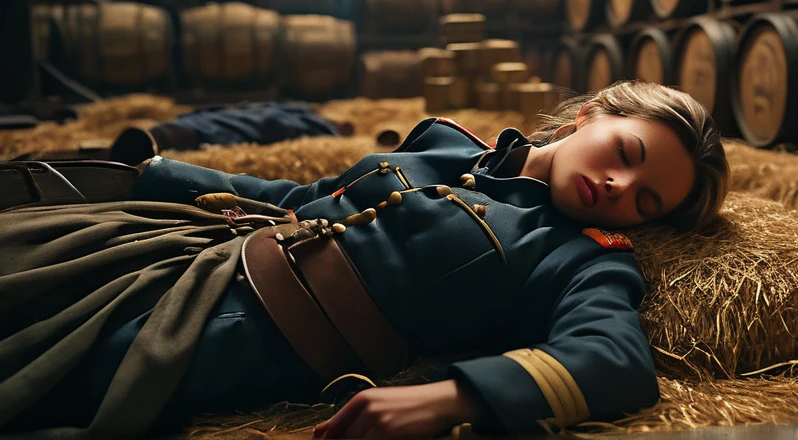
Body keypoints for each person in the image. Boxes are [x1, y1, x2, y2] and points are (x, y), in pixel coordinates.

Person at [0, 80, 730, 439]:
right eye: (627, 154)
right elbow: (304, 196)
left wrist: (454, 397)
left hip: (235, 333)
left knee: (36, 380)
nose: (620, 188)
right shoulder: (446, 142)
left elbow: (614, 360)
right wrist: (156, 173)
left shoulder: (582, 259)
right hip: (185, 255)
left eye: (647, 201)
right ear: (592, 114)